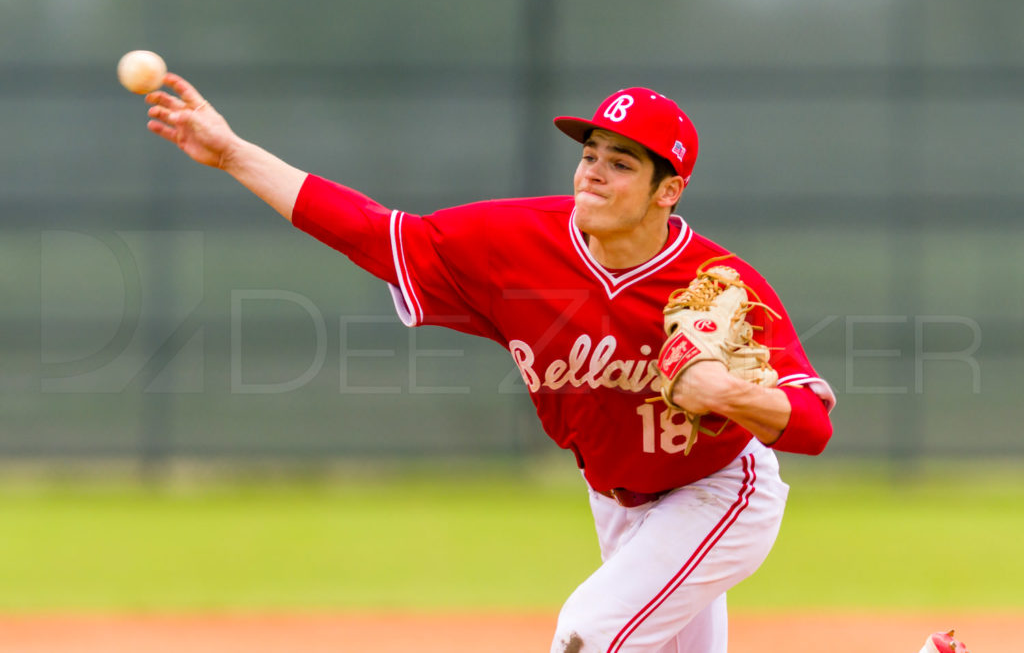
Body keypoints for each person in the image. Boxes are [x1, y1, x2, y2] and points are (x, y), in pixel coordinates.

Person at [145, 76, 835, 653]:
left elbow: (811, 425)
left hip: (717, 490)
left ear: (668, 190)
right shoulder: (516, 241)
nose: (594, 169)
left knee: (587, 636)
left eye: (622, 162)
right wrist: (234, 153)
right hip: (619, 503)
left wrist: (726, 390)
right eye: (591, 151)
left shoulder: (717, 283)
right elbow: (367, 230)